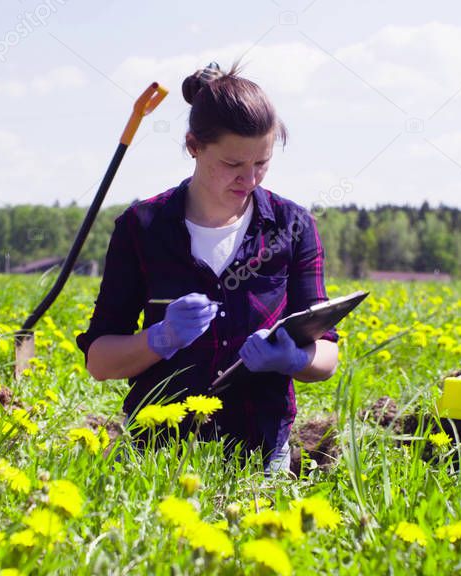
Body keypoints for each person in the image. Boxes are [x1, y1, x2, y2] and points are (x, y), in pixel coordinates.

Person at [76, 61, 339, 475]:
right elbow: (100, 361)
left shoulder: (292, 226)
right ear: (194, 146)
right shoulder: (142, 228)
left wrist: (293, 357)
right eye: (234, 164)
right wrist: (159, 338)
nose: (249, 179)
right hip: (156, 453)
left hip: (260, 449)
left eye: (262, 163)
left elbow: (326, 355)